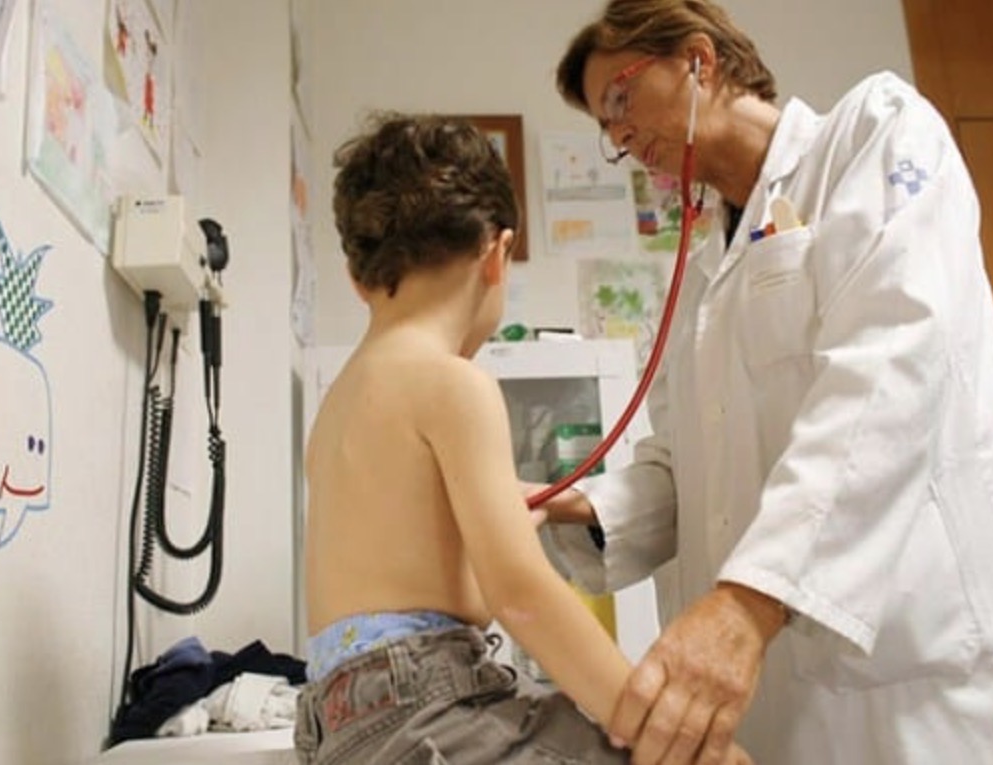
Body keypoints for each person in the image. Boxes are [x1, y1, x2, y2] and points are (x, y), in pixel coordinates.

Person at [531, 1, 993, 763]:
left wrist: (749, 601)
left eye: (620, 99)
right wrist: (587, 507)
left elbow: (889, 368)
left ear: (697, 60)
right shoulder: (698, 276)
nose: (619, 136)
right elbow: (693, 461)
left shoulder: (874, 136)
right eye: (604, 127)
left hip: (931, 668)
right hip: (791, 684)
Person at [296, 113, 742, 764]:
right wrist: (663, 732)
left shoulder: (337, 403)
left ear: (357, 277)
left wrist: (504, 520)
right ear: (496, 254)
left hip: (338, 723)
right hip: (428, 706)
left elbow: (426, 582)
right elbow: (521, 598)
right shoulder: (455, 384)